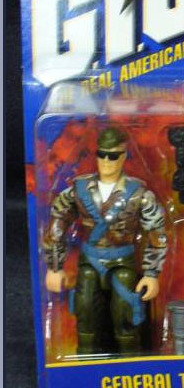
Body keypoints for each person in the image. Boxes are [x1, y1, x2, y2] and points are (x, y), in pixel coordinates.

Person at [44, 127, 167, 355]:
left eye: (113, 155)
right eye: (102, 154)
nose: (107, 161)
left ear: (123, 156)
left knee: (126, 320)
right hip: (89, 263)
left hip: (123, 264)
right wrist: (55, 266)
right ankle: (86, 368)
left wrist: (151, 273)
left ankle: (131, 369)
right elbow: (58, 222)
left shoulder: (139, 194)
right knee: (86, 318)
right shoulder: (79, 189)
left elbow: (156, 233)